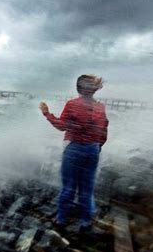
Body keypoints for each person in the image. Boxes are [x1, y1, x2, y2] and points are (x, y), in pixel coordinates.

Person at [39, 75, 109, 232]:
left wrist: (46, 113)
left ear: (79, 88)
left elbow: (62, 126)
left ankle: (62, 219)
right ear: (94, 89)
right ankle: (86, 221)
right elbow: (104, 129)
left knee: (69, 186)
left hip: (75, 148)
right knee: (87, 188)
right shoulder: (100, 107)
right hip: (93, 149)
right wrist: (97, 146)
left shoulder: (72, 104)